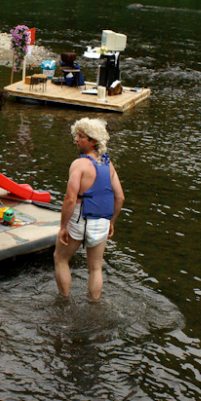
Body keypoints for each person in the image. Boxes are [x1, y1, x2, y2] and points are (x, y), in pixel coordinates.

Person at [53, 118, 124, 300]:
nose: (76, 139)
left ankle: (64, 301)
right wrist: (112, 222)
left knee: (60, 259)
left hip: (79, 217)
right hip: (101, 219)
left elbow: (70, 199)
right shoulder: (108, 165)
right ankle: (94, 305)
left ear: (93, 141)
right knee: (96, 267)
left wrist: (62, 227)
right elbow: (120, 197)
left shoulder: (79, 165)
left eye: (81, 136)